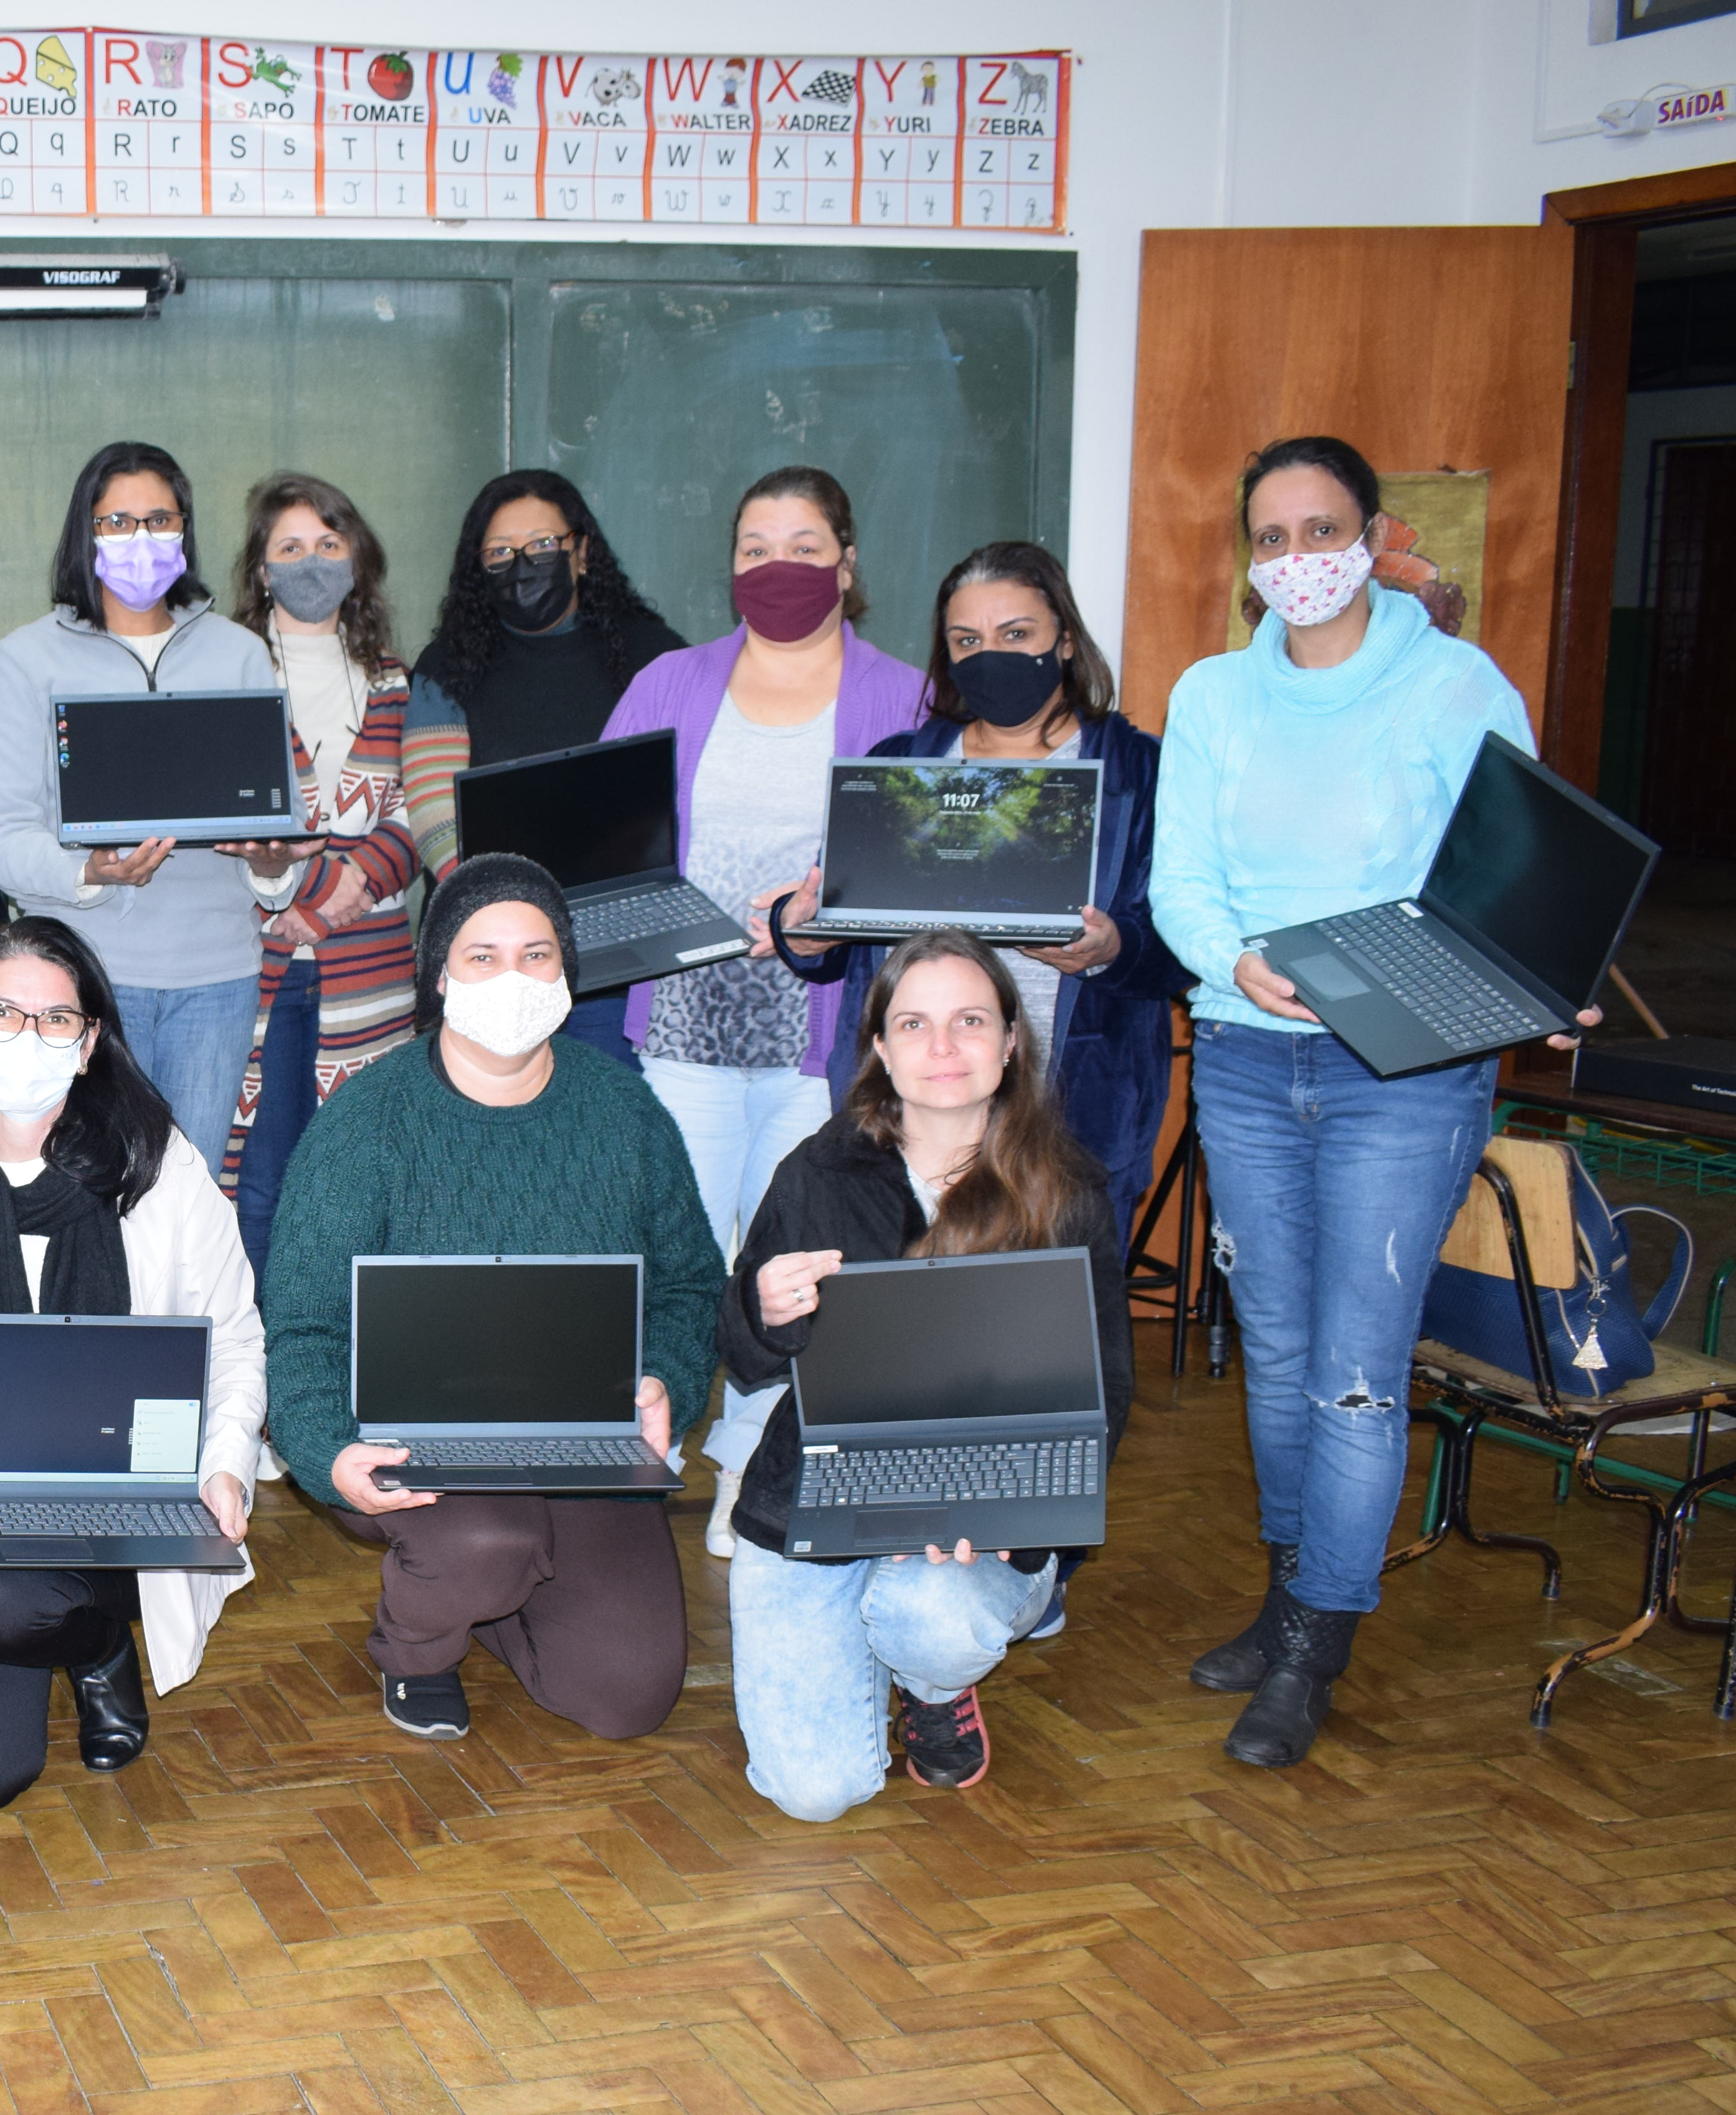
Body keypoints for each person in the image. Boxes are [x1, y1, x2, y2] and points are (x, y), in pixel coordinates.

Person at [1154, 435, 1584, 1769]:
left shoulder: (1458, 686)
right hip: (1244, 1051)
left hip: (1405, 1070)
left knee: (1353, 1375)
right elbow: (1181, 880)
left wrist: (1541, 972)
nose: (1299, 560)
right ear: (1251, 558)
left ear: (1375, 533)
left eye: (1323, 530)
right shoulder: (1214, 695)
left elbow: (1509, 876)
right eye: (1272, 538)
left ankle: (1316, 1642)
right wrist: (1235, 960)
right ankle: (1294, 1593)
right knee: (1278, 1357)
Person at [263, 851, 721, 1744]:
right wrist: (329, 1453)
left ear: (567, 973)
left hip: (585, 1439)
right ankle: (418, 1647)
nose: (513, 977)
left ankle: (502, 1591)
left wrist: (665, 1380)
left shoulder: (624, 1111)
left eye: (536, 955)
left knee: (627, 1696)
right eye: (483, 956)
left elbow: (690, 1282)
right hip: (412, 1440)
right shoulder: (365, 1123)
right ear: (439, 976)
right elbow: (303, 1324)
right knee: (486, 1544)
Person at [718, 933, 1134, 1821]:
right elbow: (745, 1357)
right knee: (814, 1793)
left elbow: (1106, 1390)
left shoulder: (1067, 1190)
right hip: (820, 1484)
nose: (943, 1047)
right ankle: (870, 1642)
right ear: (880, 1045)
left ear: (1012, 1040)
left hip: (984, 1495)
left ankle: (933, 1684)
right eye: (914, 1024)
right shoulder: (819, 1171)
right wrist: (764, 1306)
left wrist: (1010, 1520)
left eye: (970, 1021)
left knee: (934, 1615)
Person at [0, 920, 262, 1810]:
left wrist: (226, 1464)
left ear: (89, 1044)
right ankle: (82, 1642)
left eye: (56, 1020)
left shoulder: (164, 1174)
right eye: (2, 1013)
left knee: (6, 1610)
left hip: (137, 1499)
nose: (29, 1038)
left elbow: (232, 1340)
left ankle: (100, 1636)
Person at [601, 466, 930, 1557]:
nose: (777, 567)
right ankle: (650, 1437)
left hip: (821, 1041)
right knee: (681, 1250)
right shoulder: (670, 682)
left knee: (799, 1258)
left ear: (848, 562)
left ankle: (753, 1461)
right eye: (754, 548)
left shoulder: (908, 700)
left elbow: (918, 861)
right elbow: (609, 834)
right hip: (684, 1027)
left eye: (803, 546)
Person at [772, 543, 1192, 1242]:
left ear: (1065, 638)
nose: (991, 656)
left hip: (1072, 1112)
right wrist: (803, 934)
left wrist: (1113, 950)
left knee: (1057, 1303)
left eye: (1016, 634)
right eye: (967, 640)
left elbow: (1183, 943)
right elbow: (837, 932)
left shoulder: (1139, 770)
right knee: (897, 1294)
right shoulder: (899, 766)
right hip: (909, 1114)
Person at [0, 441, 326, 1155]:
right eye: (118, 522)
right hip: (81, 981)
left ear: (184, 530)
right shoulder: (27, 658)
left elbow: (274, 820)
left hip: (217, 979)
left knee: (189, 1188)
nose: (142, 539)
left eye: (160, 520)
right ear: (86, 533)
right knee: (88, 1187)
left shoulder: (239, 653)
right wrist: (88, 871)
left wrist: (270, 864)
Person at [400, 469, 688, 1068]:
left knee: (605, 1116)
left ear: (581, 553)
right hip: (485, 956)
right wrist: (521, 920)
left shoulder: (654, 656)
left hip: (619, 958)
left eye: (543, 545)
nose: (523, 564)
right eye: (500, 553)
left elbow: (684, 793)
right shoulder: (446, 664)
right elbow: (434, 818)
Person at [224, 472, 425, 1276]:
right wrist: (304, 896)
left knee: (358, 1181)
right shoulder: (229, 676)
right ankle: (262, 1345)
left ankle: (345, 1342)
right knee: (261, 1181)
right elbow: (221, 817)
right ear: (262, 569)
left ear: (357, 558)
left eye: (328, 544)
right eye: (291, 547)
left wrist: (348, 889)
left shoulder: (395, 680)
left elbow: (419, 811)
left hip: (372, 970)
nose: (312, 562)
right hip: (255, 966)